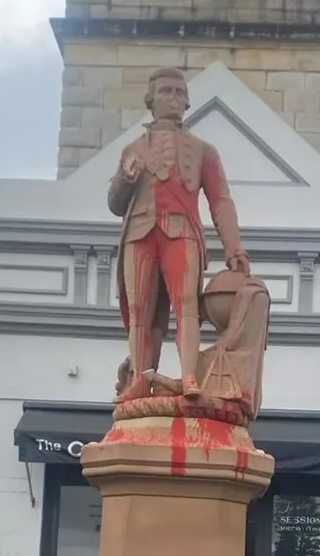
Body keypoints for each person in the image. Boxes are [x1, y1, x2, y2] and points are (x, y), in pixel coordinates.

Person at [107, 66, 250, 402]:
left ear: (187, 103)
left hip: (181, 230)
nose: (173, 98)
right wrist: (126, 179)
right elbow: (115, 204)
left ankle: (189, 377)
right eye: (165, 92)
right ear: (151, 99)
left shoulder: (204, 150)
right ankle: (141, 380)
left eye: (179, 93)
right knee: (140, 311)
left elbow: (221, 201)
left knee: (186, 304)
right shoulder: (133, 150)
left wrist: (235, 249)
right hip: (139, 233)